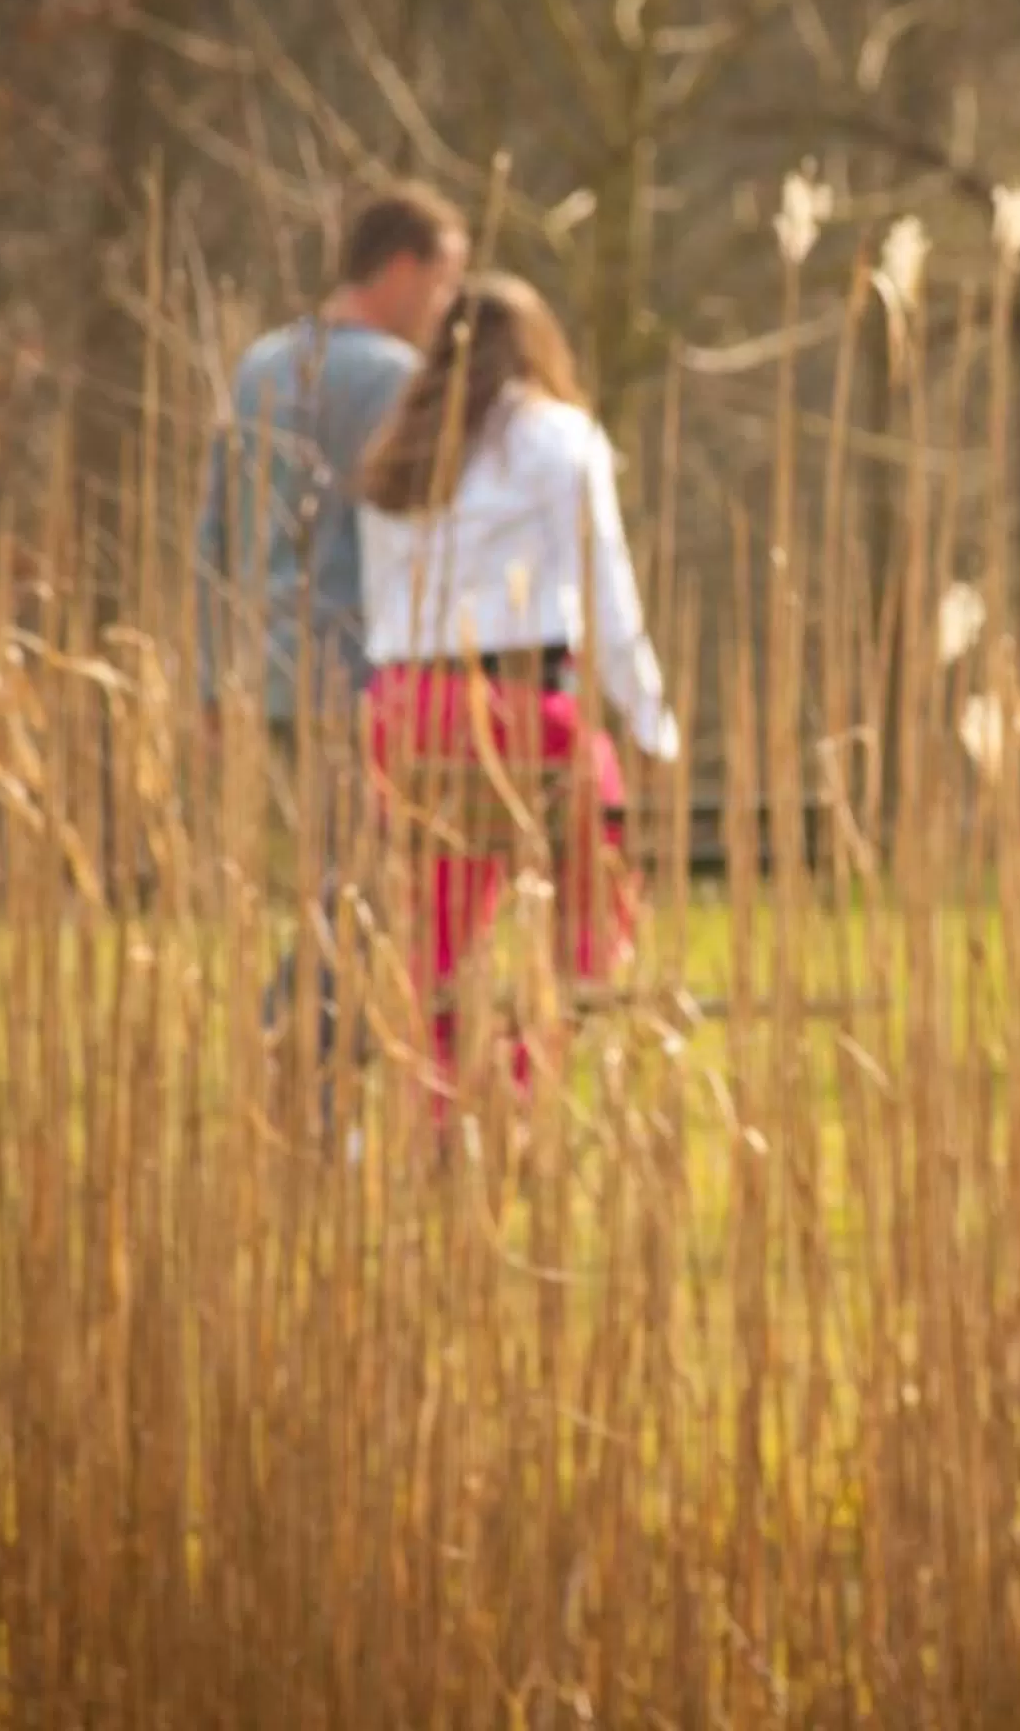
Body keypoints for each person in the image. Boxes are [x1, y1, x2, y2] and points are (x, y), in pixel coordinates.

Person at [353, 271, 678, 1119]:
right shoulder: (560, 438)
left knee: (438, 928)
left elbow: (379, 602)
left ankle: (438, 1118)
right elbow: (609, 594)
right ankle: (525, 1087)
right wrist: (652, 725)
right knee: (594, 892)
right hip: (519, 706)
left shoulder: (400, 452)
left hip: (403, 708)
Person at [198, 185, 470, 1112]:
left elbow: (215, 534)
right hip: (360, 676)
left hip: (268, 675)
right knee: (361, 889)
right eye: (441, 281)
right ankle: (292, 1068)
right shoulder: (397, 378)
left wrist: (210, 677)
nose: (443, 305)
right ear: (400, 268)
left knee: (339, 878)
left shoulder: (258, 367)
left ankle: (317, 1077)